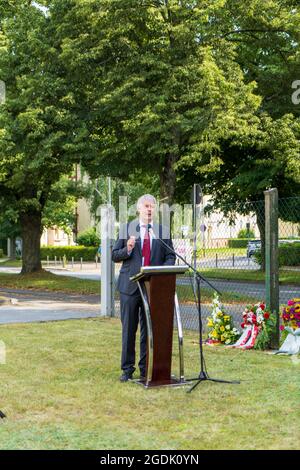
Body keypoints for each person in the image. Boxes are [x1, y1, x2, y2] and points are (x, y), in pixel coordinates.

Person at [112, 194, 176, 382]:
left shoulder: (162, 231)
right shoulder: (127, 229)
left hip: (152, 287)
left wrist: (160, 272)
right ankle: (127, 370)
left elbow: (170, 256)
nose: (149, 209)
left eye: (152, 206)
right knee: (129, 329)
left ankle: (144, 369)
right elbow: (115, 255)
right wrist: (128, 249)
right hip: (130, 286)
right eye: (146, 206)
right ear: (139, 209)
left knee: (149, 331)